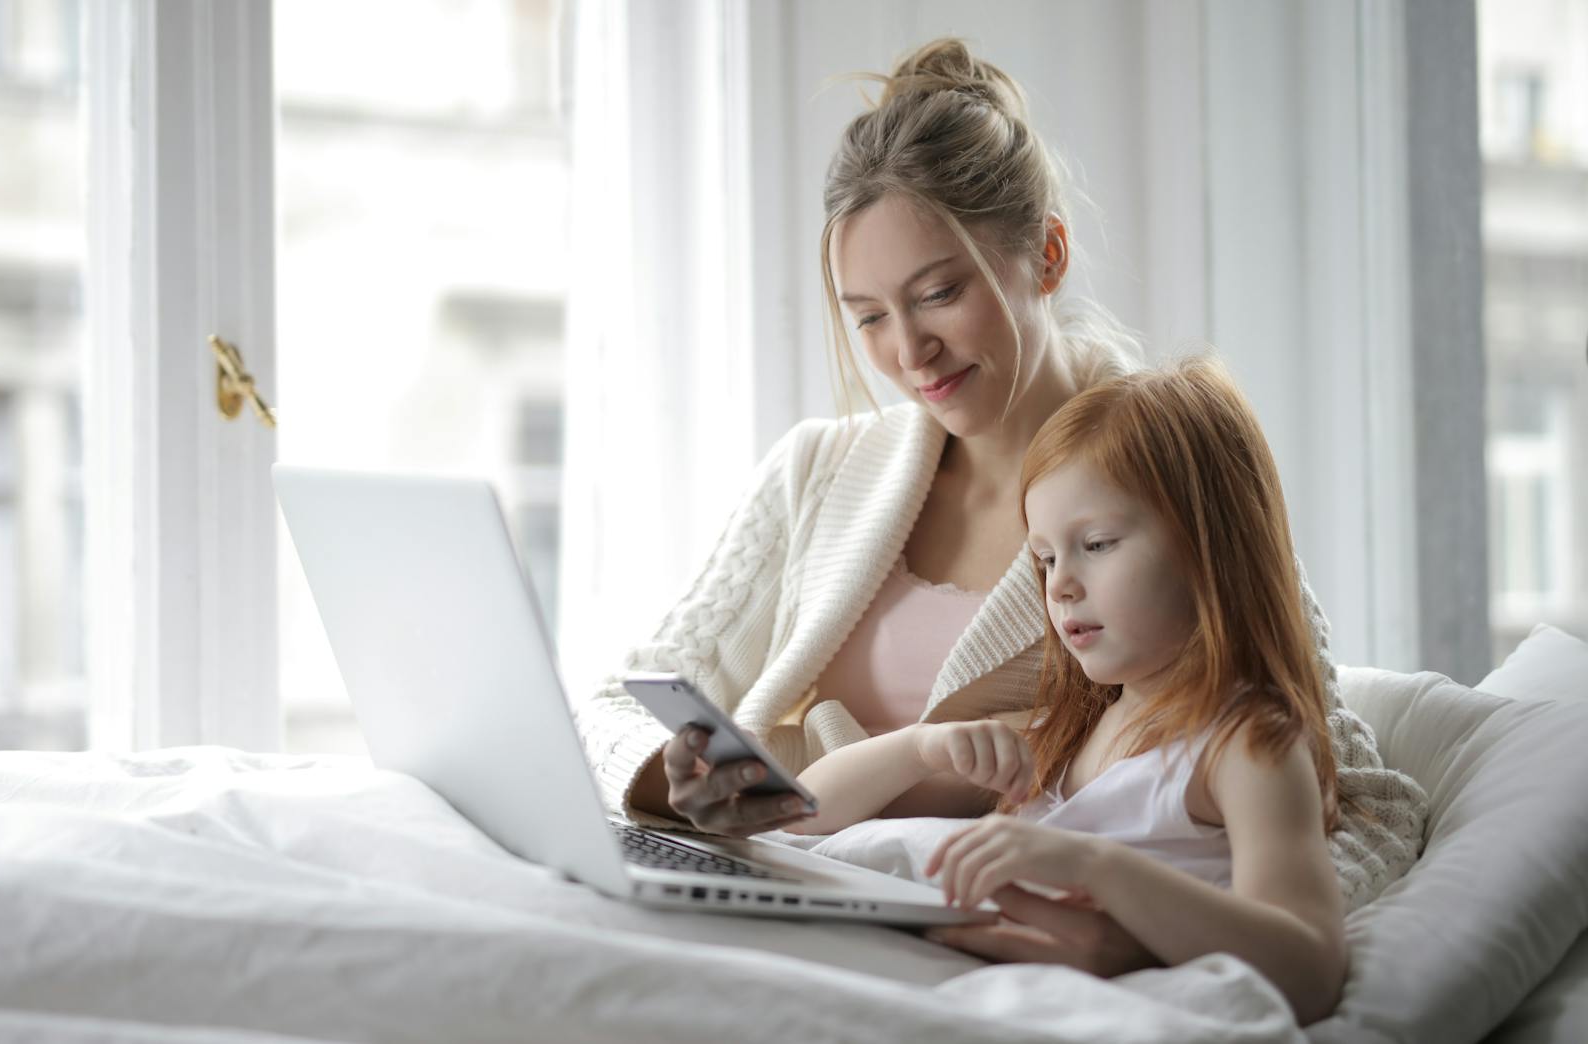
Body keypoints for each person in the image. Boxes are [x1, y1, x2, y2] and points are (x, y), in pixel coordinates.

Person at [574, 37, 1425, 971]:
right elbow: (618, 705)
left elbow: (1361, 802)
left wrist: (1147, 932)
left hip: (966, 942)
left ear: (1047, 254)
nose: (908, 352)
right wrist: (677, 781)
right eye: (868, 316)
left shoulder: (1166, 482)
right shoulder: (817, 470)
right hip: (780, 883)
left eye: (939, 293)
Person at [790, 357, 1347, 1023]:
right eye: (1046, 558)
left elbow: (1310, 965)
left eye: (1098, 544)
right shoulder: (1068, 730)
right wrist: (922, 746)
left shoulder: (1246, 743)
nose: (1060, 586)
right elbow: (805, 813)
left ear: (1211, 545)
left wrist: (1095, 866)